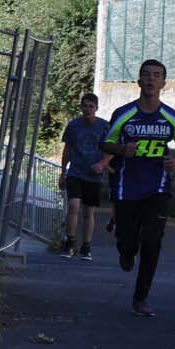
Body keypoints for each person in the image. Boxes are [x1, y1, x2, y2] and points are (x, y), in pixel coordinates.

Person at [95, 58, 175, 317]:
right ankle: (126, 252)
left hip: (158, 188)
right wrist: (122, 149)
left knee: (152, 241)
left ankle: (140, 298)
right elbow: (105, 144)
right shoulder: (124, 114)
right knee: (127, 242)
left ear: (163, 82)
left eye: (156, 75)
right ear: (139, 81)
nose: (150, 79)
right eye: (146, 75)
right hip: (127, 189)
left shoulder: (171, 117)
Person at [57, 93, 108, 260]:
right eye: (85, 106)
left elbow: (112, 150)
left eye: (91, 106)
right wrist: (63, 171)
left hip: (94, 175)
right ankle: (70, 242)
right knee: (74, 206)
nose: (88, 109)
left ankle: (86, 246)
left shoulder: (104, 127)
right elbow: (67, 149)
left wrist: (102, 164)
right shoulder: (73, 126)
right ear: (81, 107)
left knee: (89, 212)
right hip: (76, 172)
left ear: (96, 108)